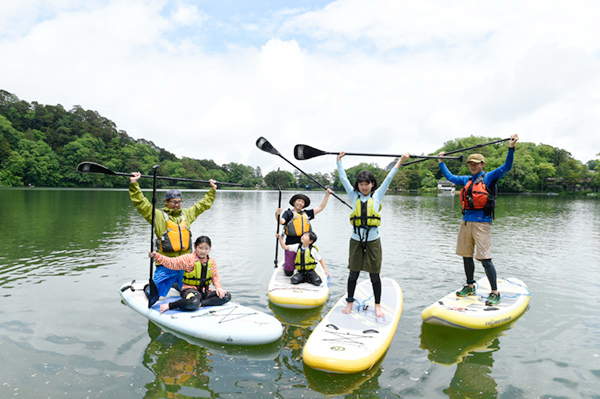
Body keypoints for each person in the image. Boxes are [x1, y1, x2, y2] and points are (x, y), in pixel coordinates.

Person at [437, 134, 519, 306]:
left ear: (482, 165)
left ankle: (495, 292)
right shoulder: (466, 180)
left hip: (481, 223)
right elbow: (451, 178)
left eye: (475, 163)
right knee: (466, 256)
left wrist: (511, 148)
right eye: (470, 164)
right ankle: (470, 285)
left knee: (485, 258)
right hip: (465, 222)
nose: (472, 166)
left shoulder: (489, 177)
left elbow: (507, 167)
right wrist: (441, 162)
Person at [337, 151, 411, 317]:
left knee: (374, 275)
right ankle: (349, 302)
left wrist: (400, 160)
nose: (364, 186)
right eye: (361, 184)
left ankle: (377, 305)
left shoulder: (377, 195)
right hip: (356, 240)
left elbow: (389, 178)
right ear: (358, 185)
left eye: (367, 183)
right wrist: (339, 161)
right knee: (353, 273)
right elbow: (343, 179)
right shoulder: (353, 195)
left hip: (373, 240)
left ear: (372, 184)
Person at [129, 172, 217, 297]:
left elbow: (201, 206)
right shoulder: (158, 216)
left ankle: (177, 284)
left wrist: (212, 190)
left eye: (179, 202)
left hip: (185, 263)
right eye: (173, 202)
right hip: (166, 264)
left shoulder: (186, 215)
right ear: (166, 201)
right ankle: (150, 287)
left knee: (192, 292)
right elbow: (142, 204)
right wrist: (134, 184)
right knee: (153, 294)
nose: (176, 205)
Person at [149, 236, 231, 313]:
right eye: (200, 248)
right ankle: (170, 305)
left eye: (206, 249)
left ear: (209, 249)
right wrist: (156, 256)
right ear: (195, 247)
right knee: (193, 302)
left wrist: (219, 288)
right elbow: (171, 263)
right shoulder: (188, 259)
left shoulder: (211, 261)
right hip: (190, 290)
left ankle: (201, 303)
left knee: (226, 296)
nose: (203, 251)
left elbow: (215, 276)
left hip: (205, 291)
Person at [275, 189, 332, 276]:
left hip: (305, 244)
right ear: (294, 202)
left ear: (304, 205)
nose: (300, 203)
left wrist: (327, 195)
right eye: (298, 201)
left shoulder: (307, 213)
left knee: (304, 268)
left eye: (302, 202)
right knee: (289, 273)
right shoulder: (289, 213)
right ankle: (288, 265)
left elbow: (320, 208)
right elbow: (281, 221)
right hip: (291, 242)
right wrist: (277, 214)